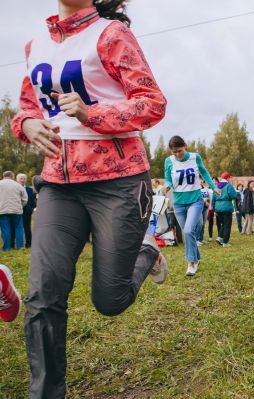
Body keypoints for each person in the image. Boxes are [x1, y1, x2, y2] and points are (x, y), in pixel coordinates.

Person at [10, 1, 168, 396]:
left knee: (110, 299)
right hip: (57, 184)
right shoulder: (35, 46)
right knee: (43, 294)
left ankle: (147, 249)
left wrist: (91, 113)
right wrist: (26, 123)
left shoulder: (111, 34)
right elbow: (27, 107)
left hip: (118, 181)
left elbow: (151, 103)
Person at [164, 135, 218, 276]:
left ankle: (191, 263)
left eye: (179, 151)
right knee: (188, 233)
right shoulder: (168, 161)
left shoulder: (195, 157)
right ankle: (197, 258)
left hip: (195, 201)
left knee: (188, 231)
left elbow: (204, 172)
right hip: (178, 204)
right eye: (174, 152)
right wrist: (167, 187)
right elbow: (169, 179)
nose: (177, 154)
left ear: (185, 146)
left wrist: (213, 186)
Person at [0, 171, 28, 251]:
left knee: (5, 229)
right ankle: (20, 246)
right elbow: (25, 199)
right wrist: (20, 206)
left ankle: (7, 247)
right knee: (18, 228)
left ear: (3, 176)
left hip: (2, 210)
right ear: (12, 176)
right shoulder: (18, 185)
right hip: (16, 210)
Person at [213, 172, 238, 247]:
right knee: (227, 225)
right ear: (227, 178)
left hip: (218, 207)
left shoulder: (217, 186)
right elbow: (234, 195)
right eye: (229, 178)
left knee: (223, 223)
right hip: (226, 206)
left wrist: (215, 208)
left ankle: (220, 237)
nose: (230, 179)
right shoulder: (228, 186)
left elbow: (213, 198)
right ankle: (225, 242)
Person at [16, 173, 36, 248]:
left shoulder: (30, 189)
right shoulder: (15, 188)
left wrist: (32, 208)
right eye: (21, 178)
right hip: (17, 211)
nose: (23, 180)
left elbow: (33, 200)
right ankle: (16, 245)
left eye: (24, 178)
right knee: (17, 228)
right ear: (17, 180)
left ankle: (29, 244)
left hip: (27, 212)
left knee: (27, 228)